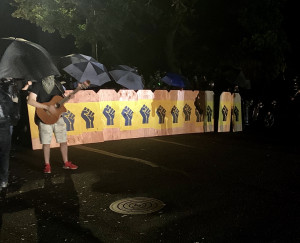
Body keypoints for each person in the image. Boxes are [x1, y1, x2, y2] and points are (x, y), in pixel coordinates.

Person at [27, 75, 78, 173]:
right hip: (44, 117)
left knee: (63, 141)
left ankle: (66, 162)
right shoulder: (38, 84)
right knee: (46, 143)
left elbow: (60, 101)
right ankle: (47, 164)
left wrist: (69, 98)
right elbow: (30, 101)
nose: (50, 75)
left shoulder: (57, 84)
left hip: (58, 117)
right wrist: (46, 107)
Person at [0, 78, 20, 191]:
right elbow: (14, 113)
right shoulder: (5, 95)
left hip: (4, 125)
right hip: (4, 126)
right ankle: (3, 180)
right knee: (4, 154)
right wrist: (15, 102)